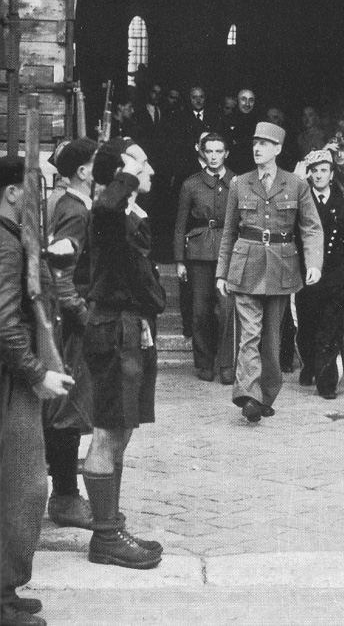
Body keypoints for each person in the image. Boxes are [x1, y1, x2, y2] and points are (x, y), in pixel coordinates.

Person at [82, 138, 166, 569]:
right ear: (124, 175)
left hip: (131, 327)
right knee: (108, 431)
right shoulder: (109, 212)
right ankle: (105, 537)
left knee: (124, 429)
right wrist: (127, 168)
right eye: (142, 164)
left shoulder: (130, 214)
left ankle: (109, 522)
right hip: (113, 329)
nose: (150, 170)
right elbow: (106, 207)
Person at [0, 156, 74, 626]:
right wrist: (35, 374)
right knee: (22, 487)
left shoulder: (12, 241)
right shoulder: (6, 247)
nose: (40, 199)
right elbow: (5, 323)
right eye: (33, 189)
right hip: (11, 381)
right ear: (11, 193)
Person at [216, 122, 323, 423]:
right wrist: (222, 272)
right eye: (255, 142)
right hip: (246, 264)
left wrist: (313, 263)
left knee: (272, 339)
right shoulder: (239, 183)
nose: (257, 148)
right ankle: (248, 395)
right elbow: (228, 232)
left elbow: (311, 228)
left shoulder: (296, 185)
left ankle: (266, 394)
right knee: (249, 333)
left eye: (264, 143)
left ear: (277, 149)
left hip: (281, 266)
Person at [43, 138, 98, 531]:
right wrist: (84, 317)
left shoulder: (72, 204)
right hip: (70, 328)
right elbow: (61, 275)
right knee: (67, 411)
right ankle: (64, 498)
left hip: (69, 324)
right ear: (83, 171)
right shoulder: (75, 210)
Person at [296, 149, 344, 399]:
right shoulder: (302, 203)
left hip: (336, 276)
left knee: (330, 327)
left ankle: (327, 382)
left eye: (324, 170)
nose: (318, 175)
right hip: (307, 275)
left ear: (331, 173)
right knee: (306, 325)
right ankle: (310, 365)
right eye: (314, 170)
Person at [173, 133, 235, 384]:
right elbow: (179, 225)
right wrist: (179, 260)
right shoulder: (191, 184)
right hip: (198, 253)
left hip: (227, 253)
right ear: (202, 153)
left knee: (226, 311)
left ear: (226, 154)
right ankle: (204, 363)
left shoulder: (237, 182)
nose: (213, 156)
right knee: (200, 312)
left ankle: (226, 364)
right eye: (209, 151)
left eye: (218, 151)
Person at [227, 89, 258, 175]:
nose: (247, 104)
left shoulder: (258, 123)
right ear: (237, 101)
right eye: (243, 99)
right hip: (230, 170)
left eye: (251, 100)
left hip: (252, 171)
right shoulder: (227, 120)